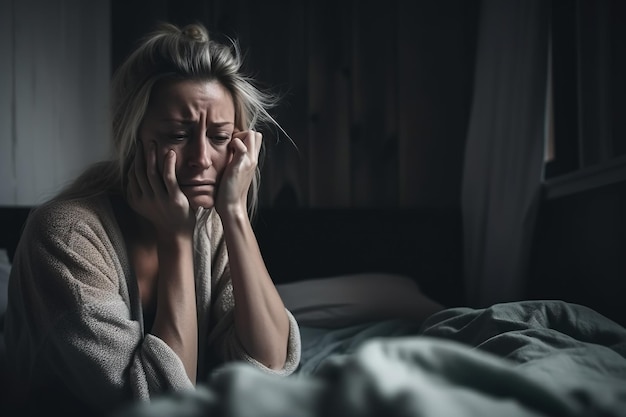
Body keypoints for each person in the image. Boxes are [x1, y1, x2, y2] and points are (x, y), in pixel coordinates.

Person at [4, 22, 301, 416]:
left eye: (218, 137)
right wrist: (175, 238)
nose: (201, 158)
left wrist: (234, 214)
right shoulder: (65, 235)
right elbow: (165, 406)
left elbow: (270, 367)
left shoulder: (210, 222)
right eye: (178, 134)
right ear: (133, 135)